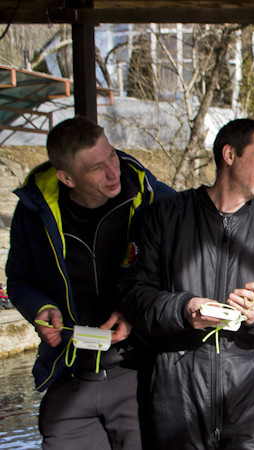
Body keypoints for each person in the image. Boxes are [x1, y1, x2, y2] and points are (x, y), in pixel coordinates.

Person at [118, 119, 254, 449]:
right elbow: (133, 294)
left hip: (253, 403)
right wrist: (183, 309)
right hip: (177, 399)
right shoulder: (163, 216)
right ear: (229, 154)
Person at [6, 116, 174, 449]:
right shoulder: (33, 210)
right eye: (96, 168)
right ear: (65, 177)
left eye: (111, 156)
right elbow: (19, 279)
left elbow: (185, 271)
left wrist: (135, 311)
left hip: (140, 371)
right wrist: (41, 308)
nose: (114, 172)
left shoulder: (155, 198)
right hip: (68, 373)